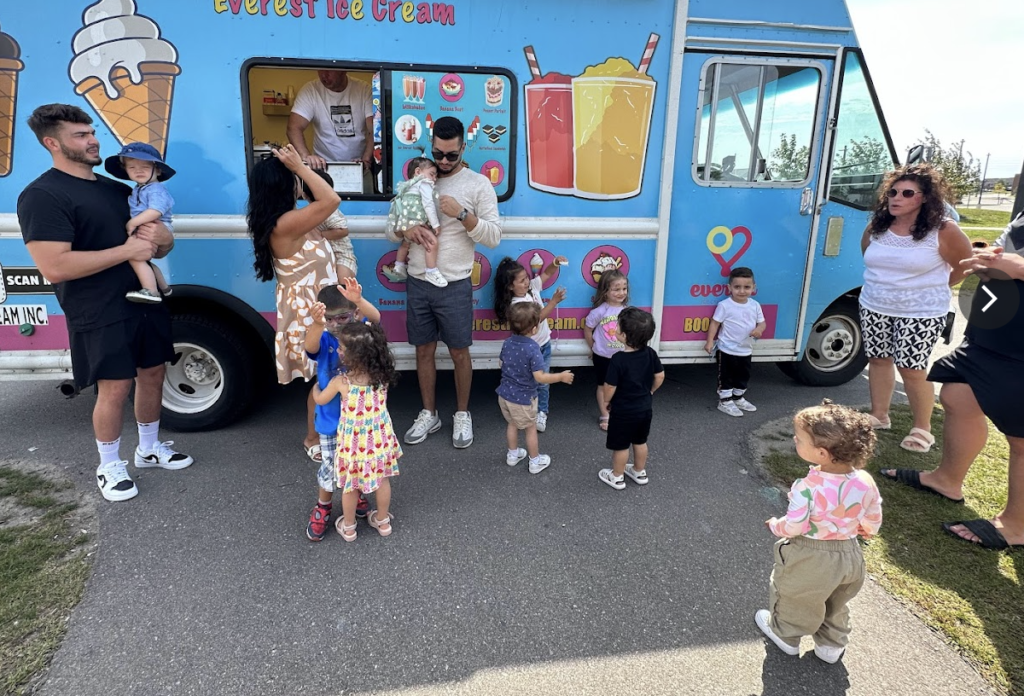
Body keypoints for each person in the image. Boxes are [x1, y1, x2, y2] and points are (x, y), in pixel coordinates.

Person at [17, 103, 192, 502]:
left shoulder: (119, 191)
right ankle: (110, 465)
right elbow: (55, 266)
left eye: (91, 131)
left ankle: (149, 448)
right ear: (52, 143)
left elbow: (160, 244)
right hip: (96, 308)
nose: (93, 140)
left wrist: (162, 240)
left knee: (153, 375)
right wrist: (127, 248)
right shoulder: (43, 195)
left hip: (143, 300)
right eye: (80, 135)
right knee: (114, 387)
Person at [881, 214, 1024, 550]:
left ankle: (1017, 525)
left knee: (1021, 438)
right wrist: (989, 257)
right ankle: (947, 479)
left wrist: (1018, 267)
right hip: (992, 332)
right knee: (959, 395)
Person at [383, 116, 502, 449]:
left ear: (464, 147)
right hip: (418, 282)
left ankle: (462, 413)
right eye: (439, 154)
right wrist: (404, 231)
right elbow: (390, 225)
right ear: (431, 147)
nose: (444, 162)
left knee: (460, 352)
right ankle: (429, 412)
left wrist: (463, 214)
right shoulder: (419, 176)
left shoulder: (478, 184)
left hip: (455, 283)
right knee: (423, 351)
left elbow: (493, 236)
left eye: (451, 155)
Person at [755, 400, 882, 664]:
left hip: (811, 554)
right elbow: (873, 514)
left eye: (800, 439)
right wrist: (868, 529)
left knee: (795, 594)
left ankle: (786, 636)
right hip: (849, 554)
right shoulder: (863, 480)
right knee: (836, 600)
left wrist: (775, 525)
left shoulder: (807, 488)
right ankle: (831, 646)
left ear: (822, 453)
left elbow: (795, 526)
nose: (794, 440)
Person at [859, 164, 972, 452]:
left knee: (911, 368)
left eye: (907, 193)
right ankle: (879, 415)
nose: (896, 198)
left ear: (924, 197)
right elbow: (867, 255)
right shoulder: (878, 226)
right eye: (893, 192)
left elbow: (962, 266)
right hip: (874, 304)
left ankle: (922, 428)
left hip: (920, 312)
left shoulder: (943, 230)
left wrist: (931, 288)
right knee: (879, 359)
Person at [247, 143, 341, 464]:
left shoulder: (292, 218)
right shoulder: (286, 222)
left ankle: (326, 429)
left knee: (328, 374)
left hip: (318, 306)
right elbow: (331, 199)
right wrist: (300, 167)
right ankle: (313, 437)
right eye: (292, 177)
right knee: (323, 376)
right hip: (310, 312)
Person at [303, 279, 381, 542]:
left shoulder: (360, 334)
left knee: (356, 466)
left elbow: (376, 318)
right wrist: (316, 325)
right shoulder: (325, 338)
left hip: (361, 424)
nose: (336, 324)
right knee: (330, 467)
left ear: (355, 314)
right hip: (332, 422)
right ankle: (323, 507)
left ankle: (355, 495)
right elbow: (310, 347)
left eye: (343, 317)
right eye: (329, 319)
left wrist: (359, 300)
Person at [314, 321, 402, 541]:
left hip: (353, 446)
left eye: (342, 348)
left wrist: (316, 388)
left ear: (350, 356)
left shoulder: (341, 382)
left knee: (350, 486)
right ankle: (382, 521)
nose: (339, 351)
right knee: (382, 480)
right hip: (380, 441)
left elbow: (320, 400)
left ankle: (349, 526)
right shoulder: (382, 377)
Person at [496, 303, 574, 474]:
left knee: (512, 424)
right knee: (530, 428)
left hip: (504, 395)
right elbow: (540, 377)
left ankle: (512, 454)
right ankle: (535, 460)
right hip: (523, 399)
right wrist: (560, 377)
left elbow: (501, 363)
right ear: (534, 329)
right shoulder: (533, 348)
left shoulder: (508, 342)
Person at [494, 255, 568, 432]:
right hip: (528, 350)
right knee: (530, 381)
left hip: (544, 344)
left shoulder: (533, 288)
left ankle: (542, 412)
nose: (527, 282)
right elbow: (538, 319)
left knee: (543, 382)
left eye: (526, 277)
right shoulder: (516, 304)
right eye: (521, 280)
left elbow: (547, 274)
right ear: (510, 286)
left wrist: (555, 263)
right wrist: (554, 302)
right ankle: (525, 410)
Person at [597, 307, 665, 490]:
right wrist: (650, 391)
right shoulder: (651, 353)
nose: (615, 330)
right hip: (644, 408)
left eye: (617, 328)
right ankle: (639, 471)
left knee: (621, 445)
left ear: (624, 336)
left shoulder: (618, 359)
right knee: (640, 441)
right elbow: (660, 376)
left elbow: (610, 386)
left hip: (623, 410)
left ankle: (617, 476)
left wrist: (606, 401)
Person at [103, 142, 174, 304]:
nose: (138, 170)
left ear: (157, 169)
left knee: (134, 257)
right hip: (145, 226)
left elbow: (156, 210)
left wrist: (133, 222)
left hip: (151, 227)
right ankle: (165, 288)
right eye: (132, 167)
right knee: (144, 260)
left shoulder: (155, 189)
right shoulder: (141, 188)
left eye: (144, 166)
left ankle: (151, 291)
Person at [287, 70, 374, 193]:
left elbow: (374, 130)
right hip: (323, 169)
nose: (324, 75)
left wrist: (366, 160)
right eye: (320, 71)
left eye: (329, 71)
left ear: (343, 71)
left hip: (359, 169)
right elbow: (293, 128)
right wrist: (306, 157)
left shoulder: (363, 89)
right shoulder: (311, 90)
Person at [704, 266, 766, 418]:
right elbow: (715, 323)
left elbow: (762, 323)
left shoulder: (755, 305)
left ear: (754, 288)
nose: (742, 291)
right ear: (729, 287)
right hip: (727, 349)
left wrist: (759, 329)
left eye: (747, 287)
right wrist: (709, 342)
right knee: (726, 376)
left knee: (743, 375)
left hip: (746, 349)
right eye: (737, 287)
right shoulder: (725, 305)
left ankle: (738, 397)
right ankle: (724, 401)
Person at [388, 156, 446, 287]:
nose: (434, 179)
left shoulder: (407, 187)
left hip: (406, 222)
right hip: (417, 221)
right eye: (432, 174)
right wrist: (435, 224)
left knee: (405, 244)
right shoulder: (424, 183)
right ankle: (431, 270)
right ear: (418, 172)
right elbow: (428, 204)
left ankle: (399, 266)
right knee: (432, 242)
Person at [583, 269, 628, 431]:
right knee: (603, 386)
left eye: (624, 288)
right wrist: (593, 347)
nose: (621, 292)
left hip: (622, 357)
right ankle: (605, 414)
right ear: (605, 291)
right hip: (602, 356)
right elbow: (588, 329)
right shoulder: (600, 311)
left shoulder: (628, 312)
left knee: (621, 385)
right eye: (616, 289)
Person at [300, 169, 357, 280]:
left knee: (343, 282)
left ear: (304, 195)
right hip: (323, 256)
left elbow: (343, 230)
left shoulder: (329, 211)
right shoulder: (311, 211)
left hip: (341, 255)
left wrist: (319, 236)